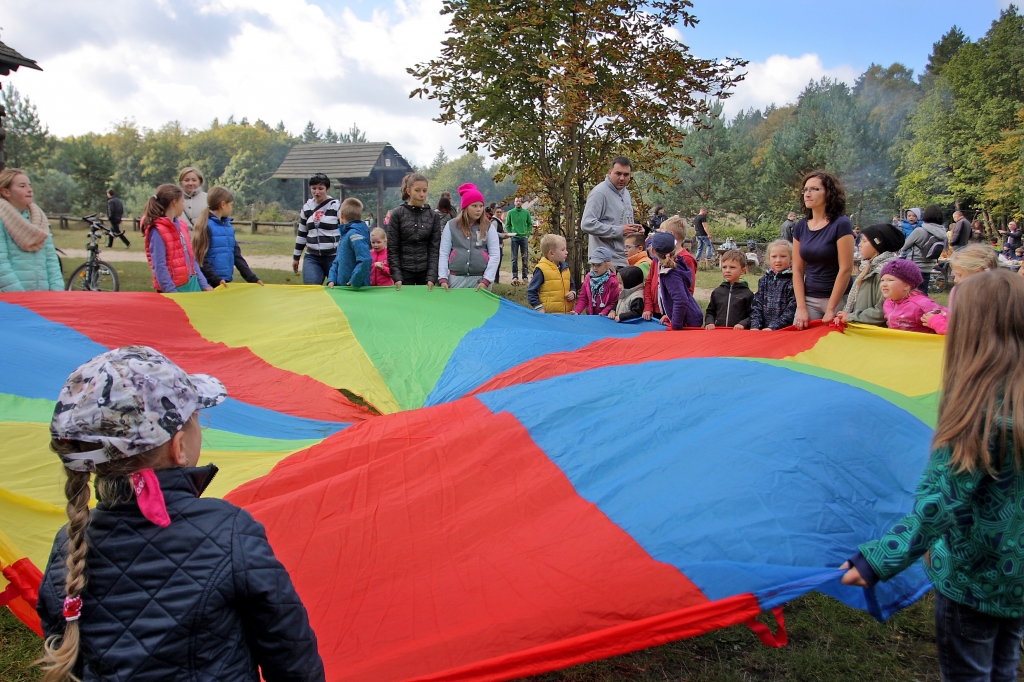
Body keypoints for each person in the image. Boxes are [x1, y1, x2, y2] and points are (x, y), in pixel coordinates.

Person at [37, 346, 324, 682]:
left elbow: (64, 644)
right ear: (179, 447)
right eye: (197, 419)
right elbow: (289, 651)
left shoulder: (68, 546)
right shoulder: (227, 530)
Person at [841, 270, 1024, 681]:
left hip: (973, 577)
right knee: (1004, 665)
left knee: (970, 671)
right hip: (1017, 579)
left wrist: (879, 559)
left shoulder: (977, 413)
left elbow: (940, 501)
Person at [792, 170, 855, 328]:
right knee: (800, 340)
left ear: (829, 193)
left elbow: (846, 269)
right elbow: (797, 270)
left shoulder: (841, 224)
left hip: (837, 299)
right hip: (809, 299)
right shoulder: (800, 226)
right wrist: (801, 307)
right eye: (805, 190)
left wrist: (831, 308)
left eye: (815, 189)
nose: (808, 194)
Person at [0, 168, 63, 292]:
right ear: (6, 192)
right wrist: (19, 296)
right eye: (22, 186)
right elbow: (1, 263)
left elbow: (51, 259)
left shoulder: (40, 219)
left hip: (43, 296)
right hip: (11, 298)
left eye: (30, 185)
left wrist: (57, 291)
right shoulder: (2, 219)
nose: (29, 190)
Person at [142, 184, 212, 293]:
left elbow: (192, 260)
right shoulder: (157, 231)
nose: (183, 205)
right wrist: (172, 292)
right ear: (174, 202)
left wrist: (204, 285)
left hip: (190, 285)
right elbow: (159, 266)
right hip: (173, 291)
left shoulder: (182, 226)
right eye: (182, 201)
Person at [836, 223, 904, 327]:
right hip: (861, 326)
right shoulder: (868, 267)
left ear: (877, 244)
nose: (859, 245)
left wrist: (852, 316)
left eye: (864, 241)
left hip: (874, 331)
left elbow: (882, 310)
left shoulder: (885, 274)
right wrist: (846, 315)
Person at [191, 187, 262, 288]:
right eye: (231, 205)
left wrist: (252, 278)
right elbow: (201, 258)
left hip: (225, 281)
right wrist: (215, 279)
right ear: (223, 205)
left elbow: (237, 256)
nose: (231, 208)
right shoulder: (206, 226)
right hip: (210, 283)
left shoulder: (228, 228)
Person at [580, 156, 642, 267]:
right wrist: (619, 230)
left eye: (626, 175)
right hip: (605, 263)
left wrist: (636, 231)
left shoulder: (626, 193)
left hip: (624, 260)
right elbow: (587, 224)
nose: (622, 178)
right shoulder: (600, 193)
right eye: (618, 173)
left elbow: (622, 222)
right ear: (610, 173)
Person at [437, 183, 500, 291]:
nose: (479, 209)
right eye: (474, 206)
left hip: (481, 279)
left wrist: (487, 280)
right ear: (465, 207)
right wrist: (443, 278)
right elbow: (444, 253)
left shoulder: (489, 226)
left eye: (481, 206)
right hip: (456, 278)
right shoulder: (451, 225)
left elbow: (495, 255)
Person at [387, 172, 442, 290]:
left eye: (424, 190)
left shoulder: (433, 216)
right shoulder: (397, 214)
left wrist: (432, 276)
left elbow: (434, 249)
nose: (422, 194)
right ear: (408, 191)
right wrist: (396, 276)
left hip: (426, 272)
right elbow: (393, 248)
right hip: (404, 272)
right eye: (417, 190)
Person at [292, 173, 341, 285]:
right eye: (314, 188)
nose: (317, 192)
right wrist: (296, 257)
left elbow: (344, 231)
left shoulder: (336, 206)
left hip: (333, 257)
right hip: (312, 257)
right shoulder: (306, 208)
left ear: (327, 189)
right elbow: (302, 234)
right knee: (311, 289)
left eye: (320, 188)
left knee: (337, 288)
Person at [878, 259, 947, 333]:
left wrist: (935, 321)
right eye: (882, 280)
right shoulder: (888, 303)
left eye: (890, 280)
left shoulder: (921, 304)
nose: (884, 284)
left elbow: (952, 322)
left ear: (906, 285)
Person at [650, 231, 702, 330]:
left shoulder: (670, 273)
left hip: (687, 321)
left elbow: (681, 300)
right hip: (685, 317)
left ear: (653, 250)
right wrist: (670, 315)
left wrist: (676, 325)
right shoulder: (675, 263)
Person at [901, 204, 948, 294]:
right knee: (923, 293)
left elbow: (904, 246)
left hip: (914, 267)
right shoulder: (943, 233)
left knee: (911, 294)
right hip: (928, 267)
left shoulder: (919, 231)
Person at [750, 240, 797, 331]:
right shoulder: (764, 280)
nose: (778, 260)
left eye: (783, 256)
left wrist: (773, 327)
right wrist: (755, 326)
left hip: (783, 330)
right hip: (763, 330)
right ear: (769, 258)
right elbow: (757, 305)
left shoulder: (793, 281)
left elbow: (791, 310)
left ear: (791, 258)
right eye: (774, 256)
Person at [326, 198, 372, 289]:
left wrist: (355, 281)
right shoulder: (344, 235)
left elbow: (365, 260)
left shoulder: (355, 235)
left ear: (342, 216)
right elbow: (337, 260)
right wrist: (331, 279)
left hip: (356, 290)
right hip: (342, 288)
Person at [704, 249, 753, 330]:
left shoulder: (747, 294)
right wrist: (709, 322)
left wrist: (743, 324)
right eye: (724, 267)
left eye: (732, 267)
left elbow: (752, 315)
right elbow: (710, 312)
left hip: (738, 333)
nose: (727, 270)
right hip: (719, 332)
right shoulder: (717, 292)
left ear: (742, 271)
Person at [527, 233, 575, 313]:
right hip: (549, 315)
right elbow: (531, 291)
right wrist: (539, 307)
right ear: (552, 253)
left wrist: (573, 293)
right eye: (563, 250)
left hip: (566, 315)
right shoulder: (541, 269)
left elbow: (572, 285)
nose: (566, 252)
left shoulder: (565, 268)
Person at [574, 246, 620, 316]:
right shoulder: (588, 278)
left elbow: (614, 302)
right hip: (591, 316)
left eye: (599, 265)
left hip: (606, 317)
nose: (595, 268)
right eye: (593, 264)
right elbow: (583, 298)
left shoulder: (613, 281)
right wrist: (577, 311)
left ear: (607, 265)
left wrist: (604, 313)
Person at [658, 216, 697, 291]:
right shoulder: (660, 255)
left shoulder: (687, 258)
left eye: (662, 233)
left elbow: (689, 287)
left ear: (671, 234)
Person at [505, 196, 533, 285]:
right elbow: (507, 225)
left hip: (524, 237)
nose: (518, 203)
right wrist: (510, 234)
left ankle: (525, 277)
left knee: (525, 257)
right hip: (514, 238)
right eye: (517, 201)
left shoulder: (526, 212)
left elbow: (530, 224)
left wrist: (527, 234)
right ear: (514, 202)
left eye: (520, 201)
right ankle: (515, 276)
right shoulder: (510, 212)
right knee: (514, 258)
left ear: (522, 203)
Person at [178, 167, 207, 231]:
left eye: (194, 180)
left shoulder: (208, 199)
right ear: (181, 182)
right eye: (186, 180)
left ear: (200, 182)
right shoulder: (175, 200)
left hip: (203, 236)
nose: (190, 183)